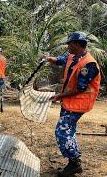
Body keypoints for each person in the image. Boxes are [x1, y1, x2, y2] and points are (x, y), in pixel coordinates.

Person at [43, 31, 101, 176]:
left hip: (78, 103)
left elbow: (80, 88)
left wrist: (59, 96)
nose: (68, 46)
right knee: (68, 131)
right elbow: (61, 60)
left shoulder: (89, 64)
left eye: (70, 43)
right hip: (69, 102)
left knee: (62, 132)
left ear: (76, 44)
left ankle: (74, 163)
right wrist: (48, 58)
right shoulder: (73, 56)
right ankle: (74, 161)